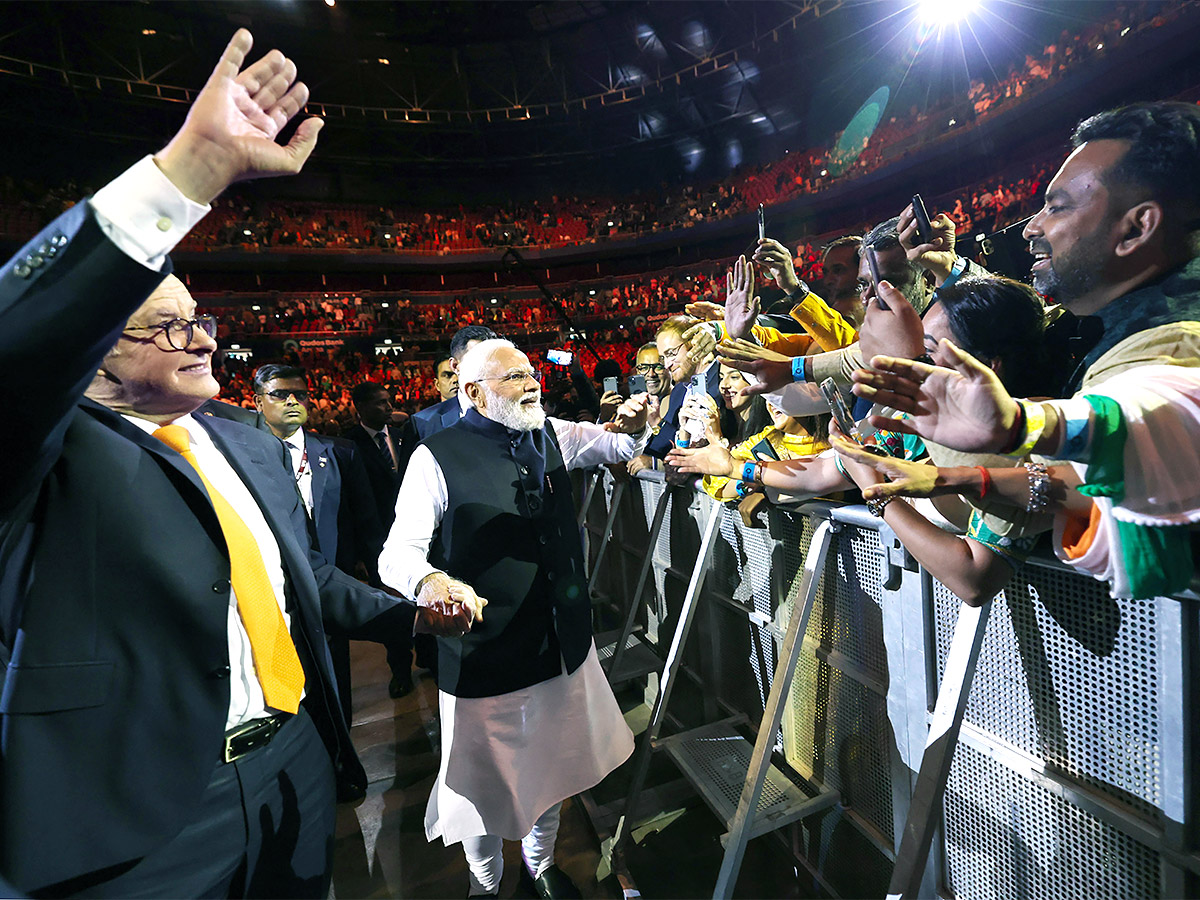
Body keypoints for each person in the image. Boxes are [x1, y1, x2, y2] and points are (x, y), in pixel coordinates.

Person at [0, 30, 471, 897]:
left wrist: (411, 614)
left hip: (295, 761)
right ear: (98, 351)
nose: (201, 337)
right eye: (168, 326)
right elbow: (18, 349)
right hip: (134, 828)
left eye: (201, 318)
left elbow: (307, 583)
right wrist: (186, 175)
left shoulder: (245, 442)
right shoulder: (43, 458)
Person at [849, 101, 1200, 599]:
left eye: (1057, 207)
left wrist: (1021, 424)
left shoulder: (1173, 340)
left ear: (1137, 227)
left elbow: (1147, 414)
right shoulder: (1118, 319)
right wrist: (950, 270)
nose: (1031, 227)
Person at [378, 338, 648, 899]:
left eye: (532, 372)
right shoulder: (436, 456)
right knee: (484, 789)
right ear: (474, 392)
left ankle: (541, 864)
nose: (532, 383)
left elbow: (619, 446)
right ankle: (486, 882)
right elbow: (396, 553)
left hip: (558, 646)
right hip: (486, 655)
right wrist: (431, 581)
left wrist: (636, 423)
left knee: (554, 770)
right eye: (515, 377)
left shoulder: (552, 433)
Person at [253, 363, 389, 729]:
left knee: (334, 677)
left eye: (300, 394)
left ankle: (342, 762)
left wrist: (374, 570)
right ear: (258, 402)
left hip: (330, 582)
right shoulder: (243, 457)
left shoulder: (339, 451)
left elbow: (365, 517)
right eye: (280, 394)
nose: (293, 401)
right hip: (271, 589)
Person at [343, 379, 415, 697]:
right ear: (361, 408)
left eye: (389, 401)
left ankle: (427, 655)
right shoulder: (347, 444)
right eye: (380, 403)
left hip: (414, 533)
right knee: (391, 609)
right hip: (377, 543)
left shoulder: (402, 436)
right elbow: (348, 502)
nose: (388, 407)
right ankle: (400, 671)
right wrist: (359, 552)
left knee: (423, 597)